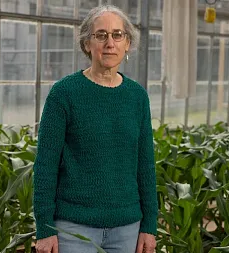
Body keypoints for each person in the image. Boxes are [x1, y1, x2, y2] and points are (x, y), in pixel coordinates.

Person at [32, 4, 158, 253]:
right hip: (73, 230)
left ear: (127, 44)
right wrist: (45, 229)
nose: (109, 43)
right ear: (87, 44)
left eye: (117, 35)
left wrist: (149, 225)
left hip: (127, 229)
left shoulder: (137, 96)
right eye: (101, 35)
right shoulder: (64, 94)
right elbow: (45, 166)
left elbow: (145, 165)